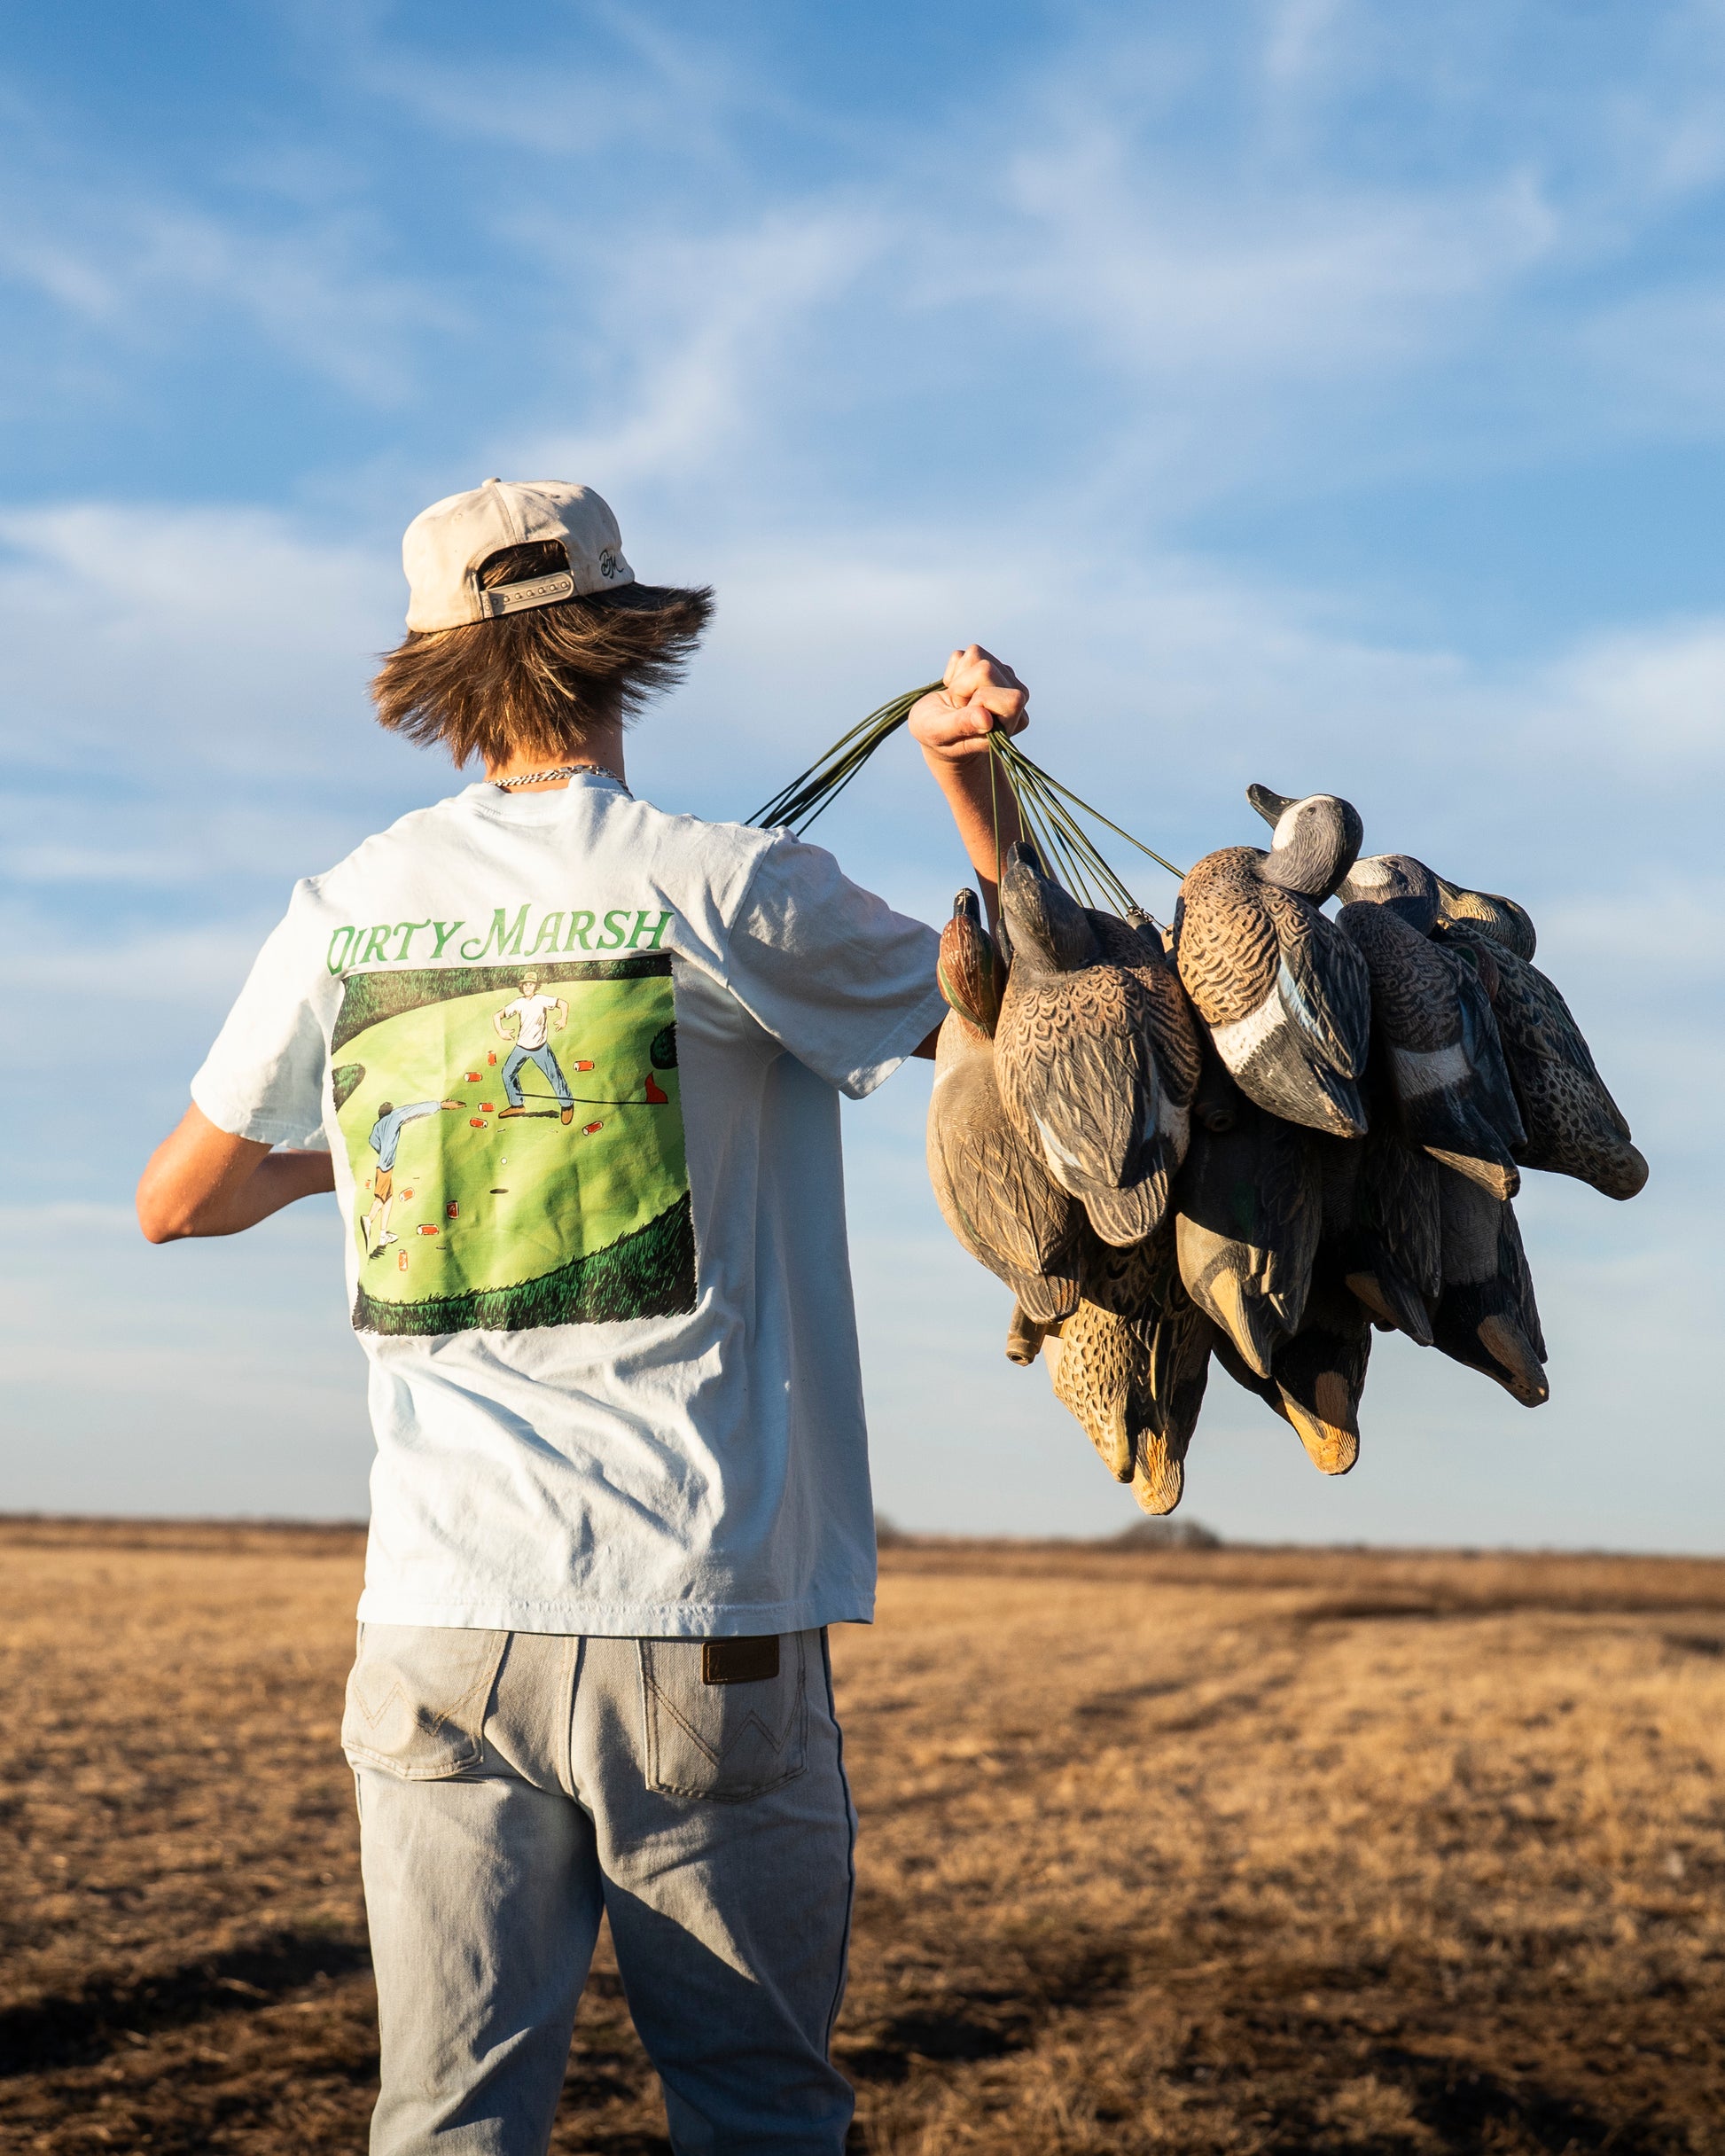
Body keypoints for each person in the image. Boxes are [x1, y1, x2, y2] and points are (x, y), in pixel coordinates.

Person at [135, 477, 1026, 2156]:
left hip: (436, 1621)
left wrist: (417, 1132)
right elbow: (1019, 1011)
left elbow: (179, 1193)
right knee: (758, 2112)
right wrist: (965, 778)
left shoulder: (348, 906)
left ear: (435, 674)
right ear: (628, 646)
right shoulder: (731, 888)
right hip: (697, 1612)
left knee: (449, 2119)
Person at [361, 1096, 464, 1254]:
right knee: (381, 1197)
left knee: (388, 1197)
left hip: (382, 1165)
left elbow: (372, 1141)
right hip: (386, 1165)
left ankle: (383, 1235)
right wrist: (440, 1105)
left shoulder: (378, 1125)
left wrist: (383, 1150)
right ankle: (369, 1218)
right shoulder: (394, 1117)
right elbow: (414, 1111)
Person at [493, 973, 575, 1122]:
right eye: (525, 984)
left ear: (535, 986)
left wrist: (563, 1019)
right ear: (521, 986)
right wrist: (501, 1032)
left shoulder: (541, 999)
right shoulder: (519, 1003)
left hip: (540, 1047)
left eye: (531, 984)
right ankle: (517, 1105)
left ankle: (567, 1105)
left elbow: (563, 1004)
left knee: (554, 1077)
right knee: (507, 1073)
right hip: (522, 1047)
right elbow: (497, 1016)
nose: (527, 987)